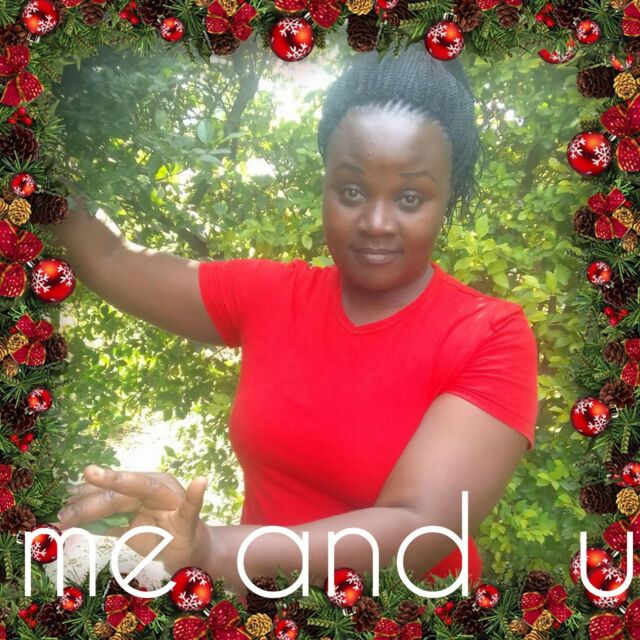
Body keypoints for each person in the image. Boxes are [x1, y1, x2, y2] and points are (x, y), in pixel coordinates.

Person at [52, 42, 539, 597]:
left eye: (410, 198)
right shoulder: (271, 296)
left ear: (446, 198)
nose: (377, 222)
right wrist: (29, 167)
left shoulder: (489, 334)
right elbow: (112, 260)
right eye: (352, 191)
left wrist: (214, 550)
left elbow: (420, 529)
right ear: (325, 184)